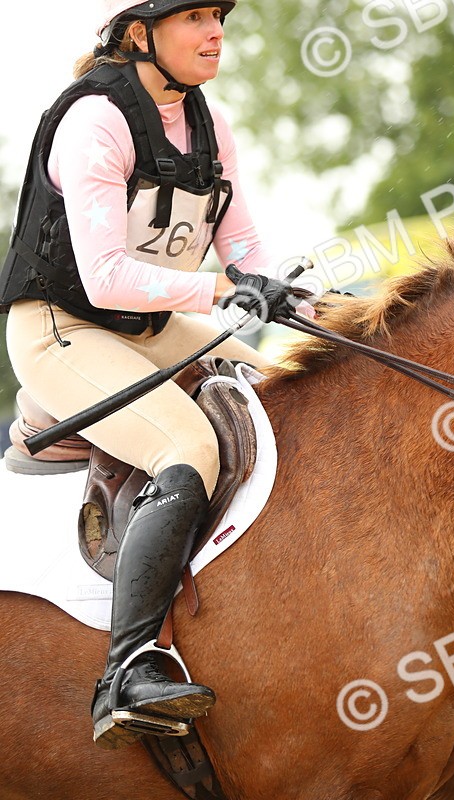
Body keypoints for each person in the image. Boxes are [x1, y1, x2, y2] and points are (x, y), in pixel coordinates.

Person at [0, 0, 311, 749]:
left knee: (287, 395)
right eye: (196, 18)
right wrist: (222, 289)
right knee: (189, 445)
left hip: (152, 327)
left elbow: (244, 248)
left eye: (219, 17)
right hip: (61, 330)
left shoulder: (208, 123)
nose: (216, 33)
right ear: (139, 34)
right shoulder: (94, 121)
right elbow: (106, 278)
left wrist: (297, 300)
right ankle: (129, 667)